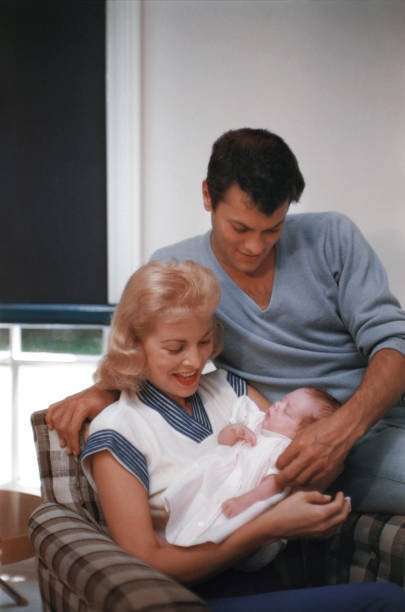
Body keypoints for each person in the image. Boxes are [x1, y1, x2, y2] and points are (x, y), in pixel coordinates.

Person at [47, 127, 405, 515]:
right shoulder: (179, 270)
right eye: (240, 228)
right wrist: (105, 390)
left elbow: (394, 342)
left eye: (273, 229)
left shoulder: (333, 236)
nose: (256, 246)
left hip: (371, 421)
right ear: (207, 196)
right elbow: (153, 348)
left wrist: (340, 431)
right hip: (293, 445)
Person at [78, 259, 405, 610]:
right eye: (175, 348)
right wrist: (267, 527)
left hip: (280, 577)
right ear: (134, 345)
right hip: (197, 597)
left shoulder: (228, 388)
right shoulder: (117, 432)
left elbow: (291, 456)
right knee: (387, 601)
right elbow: (147, 565)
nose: (194, 362)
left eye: (204, 342)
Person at [164, 387, 340, 563]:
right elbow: (222, 442)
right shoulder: (255, 420)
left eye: (286, 411)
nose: (277, 405)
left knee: (227, 525)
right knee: (198, 506)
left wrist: (246, 500)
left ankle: (211, 554)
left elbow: (274, 484)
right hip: (220, 481)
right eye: (282, 400)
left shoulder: (284, 450)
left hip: (247, 494)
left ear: (303, 435)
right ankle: (184, 537)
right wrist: (233, 431)